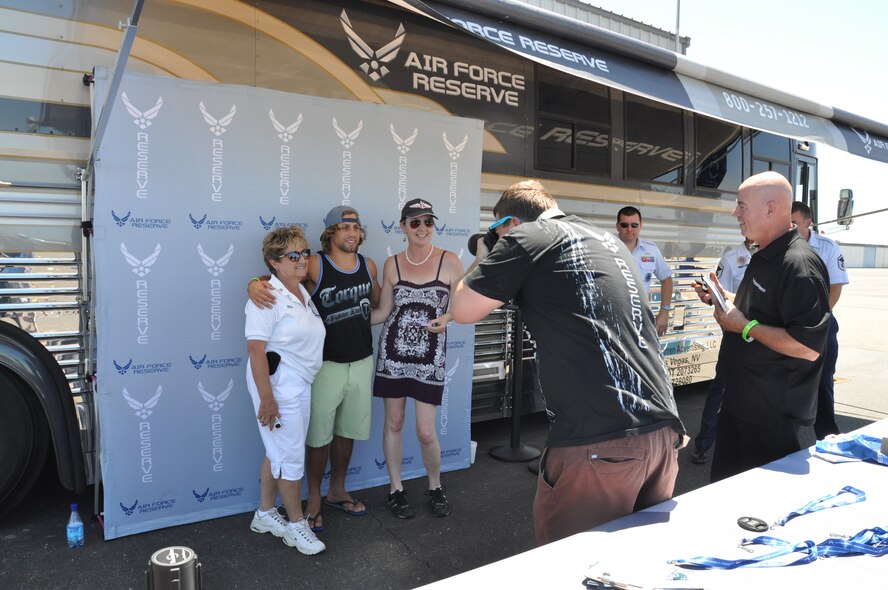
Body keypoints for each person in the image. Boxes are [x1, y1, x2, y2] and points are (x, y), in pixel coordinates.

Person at [451, 180, 687, 544]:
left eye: (497, 229)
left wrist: (485, 253)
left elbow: (463, 308)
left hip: (601, 440)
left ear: (512, 222)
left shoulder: (528, 235)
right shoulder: (605, 239)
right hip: (662, 431)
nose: (498, 237)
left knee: (572, 564)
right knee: (635, 559)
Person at [249, 206, 379, 533]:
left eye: (356, 226)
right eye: (344, 226)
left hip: (361, 360)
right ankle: (314, 500)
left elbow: (376, 305)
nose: (352, 232)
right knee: (317, 438)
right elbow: (274, 283)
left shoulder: (369, 265)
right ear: (330, 233)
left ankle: (337, 490)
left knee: (347, 432)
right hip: (324, 366)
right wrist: (253, 283)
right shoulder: (316, 264)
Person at [693, 172, 830, 483]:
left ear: (770, 209)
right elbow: (759, 311)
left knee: (758, 512)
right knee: (725, 499)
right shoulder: (765, 254)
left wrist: (745, 326)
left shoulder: (799, 267)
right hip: (741, 406)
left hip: (769, 418)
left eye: (741, 205)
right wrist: (720, 298)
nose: (734, 213)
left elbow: (808, 347)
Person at [371, 198, 463, 519]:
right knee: (394, 422)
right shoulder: (392, 264)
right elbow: (383, 312)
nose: (423, 228)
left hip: (429, 358)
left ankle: (435, 485)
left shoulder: (449, 261)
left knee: (425, 431)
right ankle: (396, 488)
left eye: (428, 221)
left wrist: (447, 318)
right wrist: (344, 319)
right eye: (415, 222)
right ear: (403, 227)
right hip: (392, 356)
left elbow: (463, 307)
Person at [245, 225, 326, 555]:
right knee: (290, 456)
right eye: (293, 255)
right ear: (274, 262)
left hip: (298, 383)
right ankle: (296, 525)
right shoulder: (266, 296)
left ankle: (264, 514)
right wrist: (267, 397)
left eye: (304, 252)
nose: (302, 259)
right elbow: (255, 350)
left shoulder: (302, 293)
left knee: (278, 450)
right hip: (278, 386)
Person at [691, 237, 757, 465]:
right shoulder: (731, 259)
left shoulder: (776, 258)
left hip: (767, 336)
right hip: (737, 336)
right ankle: (703, 444)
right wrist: (711, 298)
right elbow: (719, 298)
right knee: (720, 389)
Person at [791, 201, 849, 439]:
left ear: (809, 223)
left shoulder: (827, 248)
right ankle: (785, 438)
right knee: (789, 381)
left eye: (795, 223)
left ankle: (826, 435)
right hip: (789, 325)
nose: (791, 228)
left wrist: (818, 320)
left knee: (824, 380)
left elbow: (835, 288)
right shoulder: (781, 246)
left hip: (821, 325)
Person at [616, 206, 673, 336]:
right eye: (624, 225)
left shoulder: (651, 250)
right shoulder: (606, 248)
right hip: (614, 317)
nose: (629, 229)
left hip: (642, 319)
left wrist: (664, 311)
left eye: (634, 225)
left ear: (641, 226)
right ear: (617, 226)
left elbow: (667, 279)